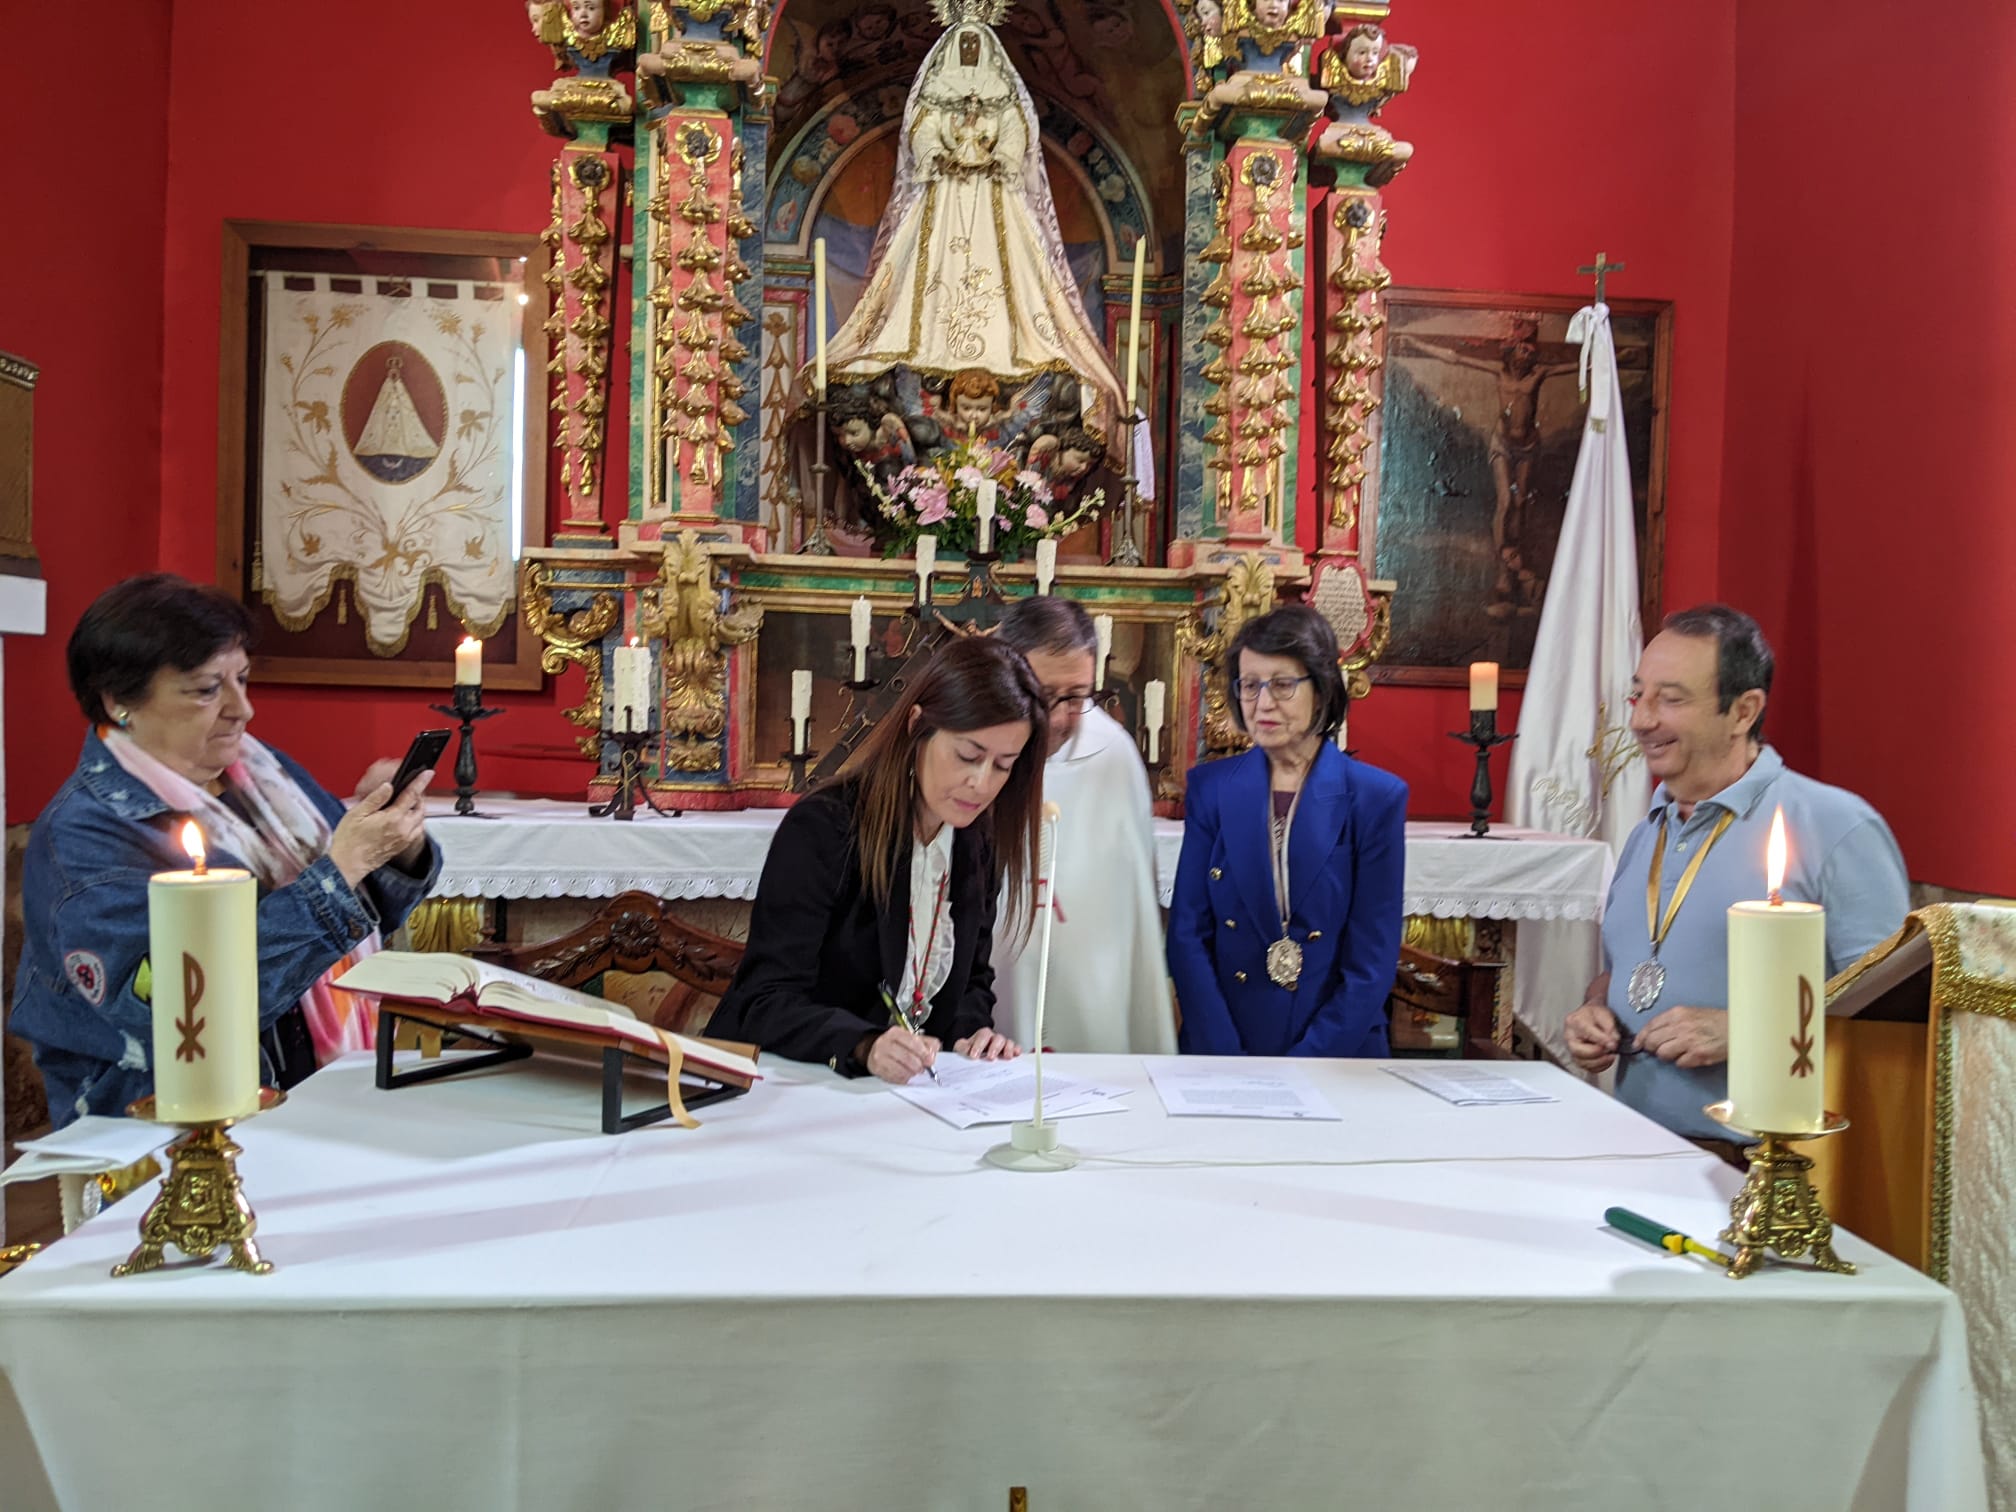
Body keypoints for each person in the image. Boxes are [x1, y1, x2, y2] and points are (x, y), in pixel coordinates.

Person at [12, 575, 441, 1127]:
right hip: (166, 1121)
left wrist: (394, 840)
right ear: (120, 702)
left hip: (315, 1085)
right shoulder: (85, 832)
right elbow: (173, 1009)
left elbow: (361, 913)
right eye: (206, 689)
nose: (244, 709)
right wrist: (345, 865)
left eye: (242, 678)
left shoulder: (261, 774)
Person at [1564, 605, 1909, 1145]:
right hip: (1635, 1144)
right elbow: (1627, 970)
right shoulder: (1646, 833)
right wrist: (1594, 1010)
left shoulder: (1836, 825)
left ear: (1744, 710)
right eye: (1639, 695)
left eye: (1671, 699)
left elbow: (1892, 1015)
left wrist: (1747, 1032)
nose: (1641, 719)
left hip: (1770, 1164)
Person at [707, 636, 1041, 1082]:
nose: (981, 784)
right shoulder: (824, 829)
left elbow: (971, 981)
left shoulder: (979, 842)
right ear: (916, 725)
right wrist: (863, 1044)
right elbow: (763, 999)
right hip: (791, 1086)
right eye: (968, 755)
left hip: (907, 1096)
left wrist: (973, 1033)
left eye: (1003, 765)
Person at [1167, 605, 1407, 1056]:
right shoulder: (1211, 789)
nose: (1262, 703)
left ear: (1321, 687)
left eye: (1281, 685)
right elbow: (1187, 935)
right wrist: (1225, 1055)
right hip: (1226, 1045)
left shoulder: (1376, 798)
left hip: (1338, 1050)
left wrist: (1308, 1062)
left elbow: (1371, 963)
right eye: (1249, 685)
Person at [993, 598, 1175, 1054]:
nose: (1057, 718)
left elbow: (1130, 917)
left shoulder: (1111, 756)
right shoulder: (973, 742)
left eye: (1076, 697)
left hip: (1090, 993)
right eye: (1042, 693)